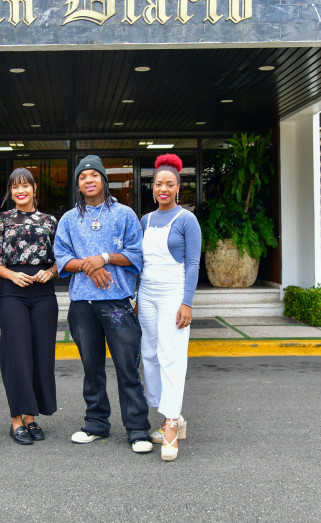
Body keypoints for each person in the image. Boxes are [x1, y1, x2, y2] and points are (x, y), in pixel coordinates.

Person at [54, 155, 153, 454]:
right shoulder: (70, 219)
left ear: (103, 180)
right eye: (82, 177)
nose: (88, 180)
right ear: (78, 185)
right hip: (83, 304)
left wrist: (106, 258)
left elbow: (136, 255)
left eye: (93, 175)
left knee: (127, 368)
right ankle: (96, 424)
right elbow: (62, 258)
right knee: (92, 367)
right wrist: (89, 265)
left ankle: (138, 430)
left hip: (117, 302)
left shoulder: (124, 215)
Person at [0, 168, 59, 445]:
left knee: (41, 355)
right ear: (11, 191)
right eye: (15, 187)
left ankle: (32, 417)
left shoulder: (50, 220)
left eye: (25, 185)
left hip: (44, 293)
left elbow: (60, 259)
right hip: (14, 293)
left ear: (34, 188)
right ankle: (16, 419)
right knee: (16, 355)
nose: (20, 191)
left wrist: (49, 272)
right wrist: (12, 275)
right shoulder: (1, 220)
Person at [138, 154, 201, 461]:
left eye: (169, 184)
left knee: (170, 356)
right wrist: (137, 296)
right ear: (152, 187)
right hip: (147, 293)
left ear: (178, 187)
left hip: (173, 294)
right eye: (158, 183)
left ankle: (172, 423)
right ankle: (168, 413)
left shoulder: (187, 220)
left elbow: (192, 263)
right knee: (149, 355)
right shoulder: (145, 220)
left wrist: (187, 302)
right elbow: (141, 262)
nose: (163, 188)